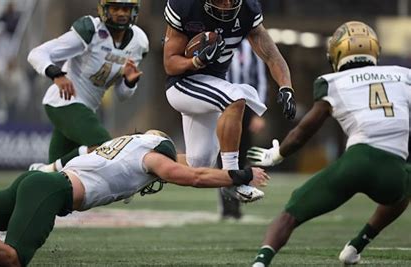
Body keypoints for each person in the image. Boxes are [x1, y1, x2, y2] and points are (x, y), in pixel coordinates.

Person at [0, 130, 270, 267]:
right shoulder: (151, 159)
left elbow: (193, 164)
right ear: (161, 151)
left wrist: (234, 169)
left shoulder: (130, 144)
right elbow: (192, 176)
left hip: (40, 181)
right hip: (52, 192)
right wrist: (241, 176)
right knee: (14, 257)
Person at [247, 21, 411, 267]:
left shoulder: (332, 82)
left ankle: (261, 262)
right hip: (393, 171)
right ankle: (356, 246)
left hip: (357, 162)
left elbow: (305, 130)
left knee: (292, 212)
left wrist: (278, 154)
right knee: (404, 188)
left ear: (337, 52)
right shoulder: (404, 76)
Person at [162, 0, 296, 202]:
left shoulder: (248, 10)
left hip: (213, 85)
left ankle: (143, 159)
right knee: (235, 98)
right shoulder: (186, 6)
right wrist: (195, 61)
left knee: (198, 165)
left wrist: (286, 86)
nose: (226, 4)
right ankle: (233, 179)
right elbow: (170, 64)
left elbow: (272, 56)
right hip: (183, 84)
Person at [27, 0, 148, 168]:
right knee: (105, 147)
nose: (121, 13)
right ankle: (46, 170)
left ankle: (36, 175)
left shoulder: (139, 42)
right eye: (115, 8)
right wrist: (57, 75)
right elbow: (37, 54)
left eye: (126, 9)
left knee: (57, 179)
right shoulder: (92, 30)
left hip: (87, 108)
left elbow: (122, 95)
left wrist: (129, 82)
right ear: (104, 9)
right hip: (64, 101)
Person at [220, 40, 268, 219]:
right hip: (223, 103)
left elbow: (261, 80)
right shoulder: (220, 44)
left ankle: (237, 202)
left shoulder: (253, 47)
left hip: (246, 105)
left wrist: (258, 113)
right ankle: (227, 207)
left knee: (241, 154)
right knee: (223, 155)